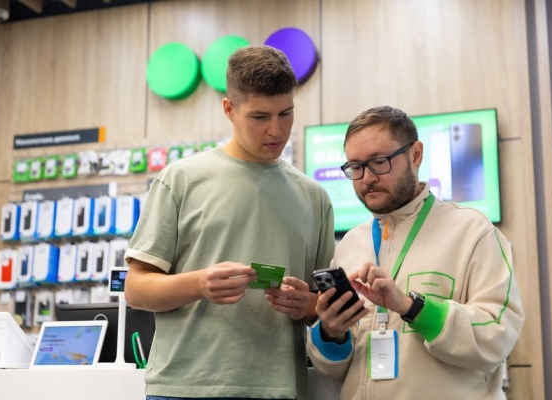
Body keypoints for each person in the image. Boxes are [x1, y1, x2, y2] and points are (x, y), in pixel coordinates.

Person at [124, 45, 335, 400]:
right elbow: (136, 289)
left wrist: (309, 306)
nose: (276, 130)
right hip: (184, 388)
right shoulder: (181, 180)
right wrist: (198, 284)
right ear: (229, 109)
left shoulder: (314, 197)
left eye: (286, 114)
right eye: (259, 117)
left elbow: (327, 305)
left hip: (278, 389)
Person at [307, 106, 524, 399]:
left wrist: (411, 308)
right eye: (356, 167)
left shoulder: (473, 232)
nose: (367, 178)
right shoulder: (349, 245)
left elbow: (498, 335)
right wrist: (332, 332)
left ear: (416, 155)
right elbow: (336, 370)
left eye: (379, 162)